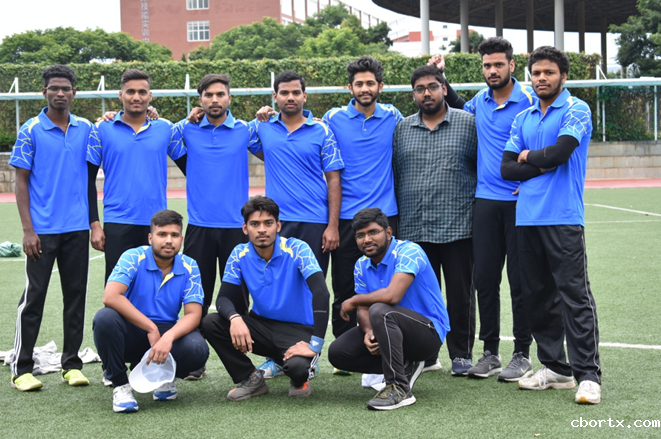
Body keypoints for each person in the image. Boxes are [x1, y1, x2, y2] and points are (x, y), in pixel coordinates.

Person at [501, 46, 602, 404]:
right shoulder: (523, 117)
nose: (541, 78)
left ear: (563, 76)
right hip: (527, 217)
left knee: (574, 296)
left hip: (563, 217)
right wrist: (541, 162)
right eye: (536, 73)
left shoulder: (576, 108)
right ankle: (556, 369)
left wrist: (529, 157)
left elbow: (561, 153)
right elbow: (506, 168)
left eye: (549, 72)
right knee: (537, 297)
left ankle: (588, 376)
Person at [433, 37, 535, 381]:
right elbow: (457, 105)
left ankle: (522, 353)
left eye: (498, 64)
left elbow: (546, 145)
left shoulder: (530, 101)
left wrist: (531, 180)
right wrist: (441, 77)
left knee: (519, 282)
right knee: (485, 281)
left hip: (520, 205)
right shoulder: (480, 101)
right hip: (485, 202)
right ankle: (490, 352)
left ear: (511, 65)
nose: (492, 70)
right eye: (487, 65)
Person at [9, 65, 94, 391]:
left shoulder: (86, 128)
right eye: (54, 88)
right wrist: (28, 230)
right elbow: (20, 182)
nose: (60, 93)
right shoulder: (30, 130)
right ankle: (22, 368)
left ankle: (71, 365)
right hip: (41, 231)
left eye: (65, 88)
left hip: (77, 230)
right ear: (44, 92)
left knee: (76, 298)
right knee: (34, 298)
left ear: (74, 92)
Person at [392, 65, 478, 376]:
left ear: (444, 88)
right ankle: (425, 354)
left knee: (460, 295)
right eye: (419, 89)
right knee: (419, 297)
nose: (426, 93)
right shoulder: (402, 129)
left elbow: (483, 167)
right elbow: (396, 174)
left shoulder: (468, 123)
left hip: (458, 225)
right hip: (415, 228)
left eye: (432, 86)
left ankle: (461, 354)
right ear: (413, 94)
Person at [201, 196, 330, 400]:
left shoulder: (298, 249)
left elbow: (321, 293)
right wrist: (235, 318)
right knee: (211, 322)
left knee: (297, 369)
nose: (262, 229)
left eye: (268, 223)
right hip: (262, 327)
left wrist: (315, 345)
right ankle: (251, 378)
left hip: (299, 330)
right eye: (255, 224)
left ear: (278, 226)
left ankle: (299, 376)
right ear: (245, 228)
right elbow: (223, 297)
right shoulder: (239, 254)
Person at [328, 208, 450, 411]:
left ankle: (399, 388)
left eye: (373, 232)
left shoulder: (409, 251)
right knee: (338, 353)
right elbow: (364, 309)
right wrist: (368, 332)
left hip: (427, 334)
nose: (367, 239)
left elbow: (393, 296)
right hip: (388, 327)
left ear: (388, 232)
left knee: (381, 310)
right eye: (360, 235)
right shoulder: (361, 264)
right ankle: (405, 365)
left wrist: (354, 300)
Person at [93, 210, 208, 413]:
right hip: (133, 330)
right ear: (150, 238)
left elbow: (193, 314)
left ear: (181, 239)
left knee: (197, 349)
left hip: (166, 332)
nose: (168, 240)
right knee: (105, 318)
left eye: (174, 235)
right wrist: (150, 327)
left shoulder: (190, 265)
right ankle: (120, 385)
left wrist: (168, 337)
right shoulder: (133, 256)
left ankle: (165, 377)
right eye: (162, 234)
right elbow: (110, 296)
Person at [87, 69, 186, 281]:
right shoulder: (101, 128)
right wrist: (94, 224)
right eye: (130, 91)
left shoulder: (165, 128)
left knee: (154, 285)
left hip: (156, 223)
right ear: (120, 95)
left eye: (142, 92)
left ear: (150, 96)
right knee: (117, 286)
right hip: (117, 221)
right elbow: (88, 180)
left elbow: (191, 168)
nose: (136, 97)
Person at [249, 70, 343, 276]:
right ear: (275, 97)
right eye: (284, 93)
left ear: (304, 96)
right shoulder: (260, 127)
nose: (290, 97)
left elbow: (334, 179)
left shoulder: (323, 130)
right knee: (278, 283)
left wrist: (333, 226)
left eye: (296, 92)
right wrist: (198, 113)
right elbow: (224, 125)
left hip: (315, 222)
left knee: (313, 285)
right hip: (276, 222)